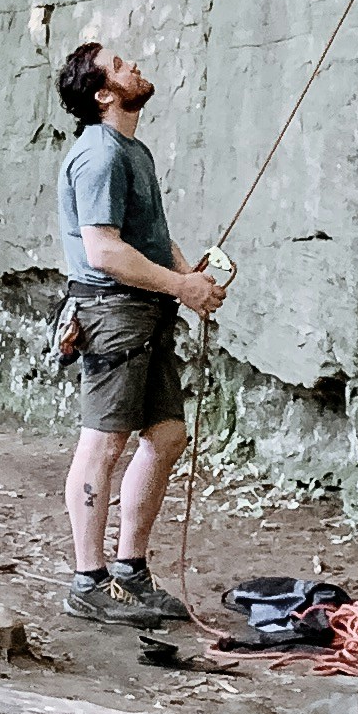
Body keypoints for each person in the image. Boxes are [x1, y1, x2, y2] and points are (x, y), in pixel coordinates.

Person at [53, 38, 225, 624]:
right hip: (113, 314)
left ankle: (129, 570)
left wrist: (188, 279)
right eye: (121, 66)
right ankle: (88, 581)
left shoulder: (132, 151)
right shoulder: (100, 156)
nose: (135, 67)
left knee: (168, 435)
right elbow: (103, 251)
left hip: (145, 312)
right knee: (103, 443)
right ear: (104, 94)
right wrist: (180, 287)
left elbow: (149, 234)